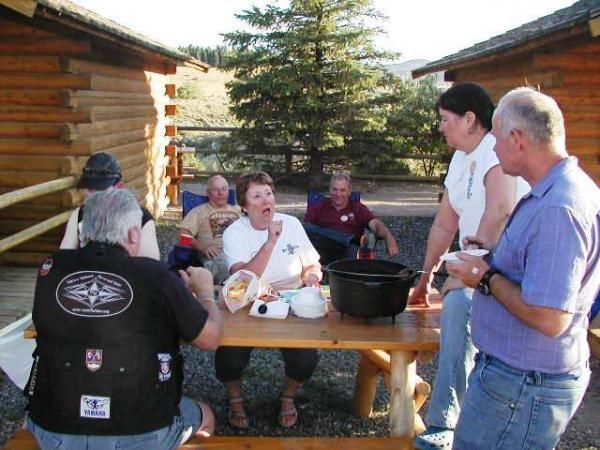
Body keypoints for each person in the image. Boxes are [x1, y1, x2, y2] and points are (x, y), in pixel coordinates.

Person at [446, 87, 599, 449]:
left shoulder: (559, 208)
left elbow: (549, 317)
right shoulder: (558, 190)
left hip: (523, 384)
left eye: (496, 138)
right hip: (518, 379)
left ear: (516, 139)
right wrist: (494, 257)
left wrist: (484, 276)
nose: (494, 149)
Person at [25, 189, 223, 450]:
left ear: (84, 233)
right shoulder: (155, 275)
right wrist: (205, 291)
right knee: (206, 415)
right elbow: (210, 339)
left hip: (53, 432)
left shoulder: (51, 267)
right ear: (133, 234)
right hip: (142, 433)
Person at [411, 83, 529, 450]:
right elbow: (445, 224)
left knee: (460, 305)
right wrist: (426, 277)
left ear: (470, 119)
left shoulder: (498, 152)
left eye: (445, 120)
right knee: (452, 305)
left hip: (507, 276)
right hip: (473, 272)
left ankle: (445, 424)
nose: (441, 127)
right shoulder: (461, 157)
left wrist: (466, 272)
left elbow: (502, 210)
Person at [219, 171, 322, 429]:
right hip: (247, 303)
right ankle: (235, 399)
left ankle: (288, 397)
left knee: (305, 358)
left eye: (269, 193)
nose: (266, 200)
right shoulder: (234, 233)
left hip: (291, 301)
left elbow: (313, 265)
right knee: (228, 354)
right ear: (244, 205)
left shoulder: (292, 224)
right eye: (257, 195)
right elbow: (241, 280)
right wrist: (270, 243)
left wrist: (311, 279)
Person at [60, 152, 160, 260]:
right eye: (89, 189)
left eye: (101, 190)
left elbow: (150, 265)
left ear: (119, 187)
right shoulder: (80, 214)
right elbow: (64, 258)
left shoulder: (140, 218)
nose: (94, 196)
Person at [303, 172, 399, 265]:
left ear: (349, 191)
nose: (338, 194)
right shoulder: (318, 208)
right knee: (304, 228)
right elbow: (305, 233)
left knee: (353, 249)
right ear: (330, 190)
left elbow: (376, 224)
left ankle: (348, 242)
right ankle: (348, 240)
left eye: (342, 190)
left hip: (348, 253)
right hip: (322, 251)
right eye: (335, 189)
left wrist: (389, 238)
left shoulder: (358, 208)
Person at [178, 175, 241, 284]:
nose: (221, 193)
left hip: (239, 251)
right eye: (216, 190)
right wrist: (202, 247)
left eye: (224, 189)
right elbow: (181, 237)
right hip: (216, 255)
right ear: (208, 193)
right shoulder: (199, 211)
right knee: (229, 268)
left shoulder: (238, 211)